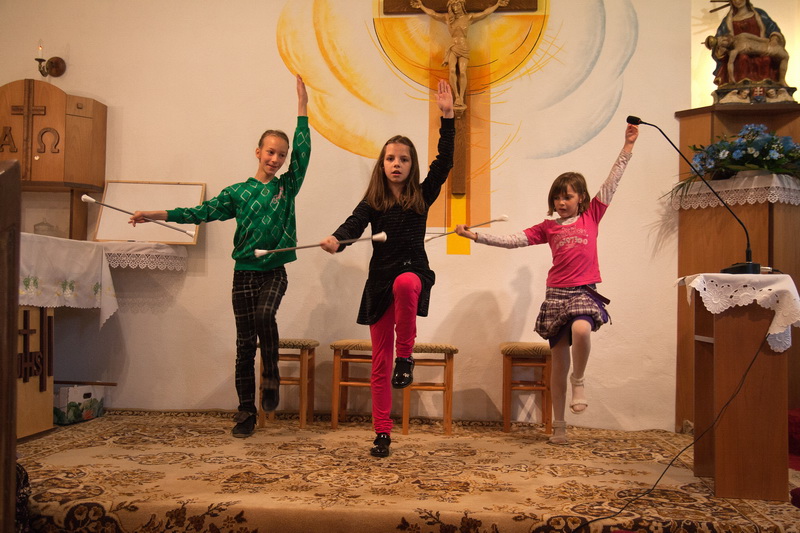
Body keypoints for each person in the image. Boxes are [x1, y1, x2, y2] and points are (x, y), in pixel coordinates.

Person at [129, 75, 310, 439]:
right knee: (244, 346)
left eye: (281, 154)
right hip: (243, 273)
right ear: (257, 152)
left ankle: (271, 372)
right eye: (270, 152)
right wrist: (156, 214)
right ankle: (246, 413)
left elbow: (303, 151)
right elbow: (199, 212)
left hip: (274, 270)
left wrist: (302, 108)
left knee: (265, 316)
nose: (276, 159)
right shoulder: (237, 193)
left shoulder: (287, 187)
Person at [455, 122, 638, 445]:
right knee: (558, 363)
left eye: (567, 197)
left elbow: (613, 181)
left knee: (582, 331)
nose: (561, 202)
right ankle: (560, 426)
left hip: (583, 291)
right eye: (556, 198)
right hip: (556, 294)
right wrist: (476, 236)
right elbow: (513, 240)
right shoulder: (548, 227)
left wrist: (627, 147)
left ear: (581, 198)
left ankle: (579, 380)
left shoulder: (592, 215)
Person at [320, 80, 455, 457]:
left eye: (404, 159)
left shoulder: (422, 195)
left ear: (412, 166)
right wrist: (336, 240)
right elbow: (352, 225)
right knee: (379, 362)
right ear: (382, 164)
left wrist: (447, 117)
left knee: (406, 284)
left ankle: (406, 356)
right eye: (391, 158)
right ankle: (382, 431)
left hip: (412, 272)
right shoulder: (373, 201)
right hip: (379, 282)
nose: (397, 164)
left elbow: (445, 162)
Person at [411, 0, 509, 110]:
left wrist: (497, 4)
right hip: (452, 47)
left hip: (464, 47)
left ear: (462, 5)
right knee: (452, 70)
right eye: (453, 5)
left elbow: (485, 13)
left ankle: (461, 97)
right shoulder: (447, 18)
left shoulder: (468, 18)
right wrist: (421, 6)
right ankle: (456, 96)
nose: (455, 7)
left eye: (457, 5)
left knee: (462, 72)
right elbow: (433, 14)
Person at [708, 0, 787, 86]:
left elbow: (772, 29)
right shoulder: (727, 21)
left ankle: (769, 86)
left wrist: (774, 39)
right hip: (740, 53)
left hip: (760, 48)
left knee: (767, 59)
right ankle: (740, 88)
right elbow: (719, 42)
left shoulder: (760, 14)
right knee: (742, 59)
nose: (738, 1)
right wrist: (721, 49)